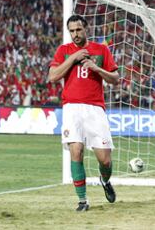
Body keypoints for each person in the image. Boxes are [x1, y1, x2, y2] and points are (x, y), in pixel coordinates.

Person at [48, 14, 119, 212]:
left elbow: (115, 78)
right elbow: (52, 76)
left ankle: (105, 181)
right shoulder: (64, 51)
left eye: (78, 30)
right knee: (76, 151)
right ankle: (82, 200)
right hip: (71, 108)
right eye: (71, 31)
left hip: (95, 108)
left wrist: (97, 68)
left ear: (85, 28)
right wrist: (73, 58)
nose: (75, 34)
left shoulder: (101, 50)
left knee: (105, 159)